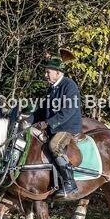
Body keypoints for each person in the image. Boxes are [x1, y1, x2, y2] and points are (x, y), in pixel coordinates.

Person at [32, 57, 83, 200]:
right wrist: (27, 119)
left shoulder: (69, 86)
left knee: (54, 145)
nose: (45, 75)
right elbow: (42, 111)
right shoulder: (51, 89)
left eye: (48, 72)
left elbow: (67, 111)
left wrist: (48, 123)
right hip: (55, 127)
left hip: (68, 128)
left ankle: (69, 183)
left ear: (58, 73)